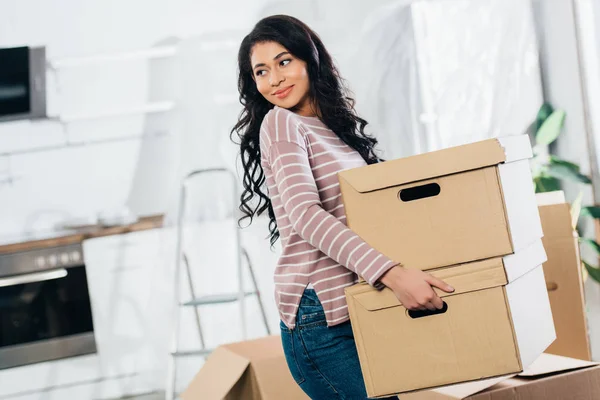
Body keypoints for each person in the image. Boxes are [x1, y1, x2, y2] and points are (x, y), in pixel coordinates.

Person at [231, 14, 455, 400]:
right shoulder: (281, 124)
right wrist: (393, 275)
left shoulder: (328, 127)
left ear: (309, 59)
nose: (275, 79)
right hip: (320, 320)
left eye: (284, 62)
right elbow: (305, 216)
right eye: (261, 72)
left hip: (353, 309)